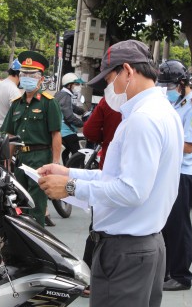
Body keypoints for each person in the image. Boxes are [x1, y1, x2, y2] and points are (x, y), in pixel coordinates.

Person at [37, 39, 184, 307]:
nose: (109, 88)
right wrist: (69, 173)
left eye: (110, 78)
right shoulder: (162, 112)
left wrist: (69, 188)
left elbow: (132, 191)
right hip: (144, 245)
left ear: (128, 71)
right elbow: (114, 177)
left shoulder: (143, 119)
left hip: (126, 251)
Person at [157, 59, 192, 291]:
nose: (166, 91)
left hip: (181, 174)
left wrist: (159, 144)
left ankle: (181, 275)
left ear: (182, 83)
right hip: (167, 171)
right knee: (164, 225)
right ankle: (166, 271)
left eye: (169, 86)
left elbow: (189, 146)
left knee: (179, 227)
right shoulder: (175, 104)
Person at [0, 50, 62, 227]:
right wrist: (7, 161)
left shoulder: (49, 103)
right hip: (20, 158)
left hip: (40, 157)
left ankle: (39, 238)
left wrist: (56, 162)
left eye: (31, 75)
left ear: (41, 79)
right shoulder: (16, 104)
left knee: (37, 202)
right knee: (20, 201)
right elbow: (11, 135)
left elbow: (56, 134)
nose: (26, 77)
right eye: (23, 74)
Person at [80, 96, 122, 275]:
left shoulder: (110, 101)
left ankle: (89, 273)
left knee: (98, 225)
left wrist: (106, 138)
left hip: (108, 169)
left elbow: (89, 131)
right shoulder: (158, 106)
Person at [54, 73, 85, 165]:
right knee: (78, 155)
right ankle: (74, 174)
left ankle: (66, 169)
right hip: (66, 131)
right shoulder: (66, 96)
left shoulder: (60, 94)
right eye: (76, 84)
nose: (78, 87)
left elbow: (71, 107)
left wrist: (82, 111)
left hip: (59, 129)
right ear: (69, 85)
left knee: (66, 153)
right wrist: (83, 124)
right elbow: (69, 116)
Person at [0, 58, 21, 132]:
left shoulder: (0, 84)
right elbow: (17, 116)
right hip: (6, 130)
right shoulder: (14, 91)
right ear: (19, 74)